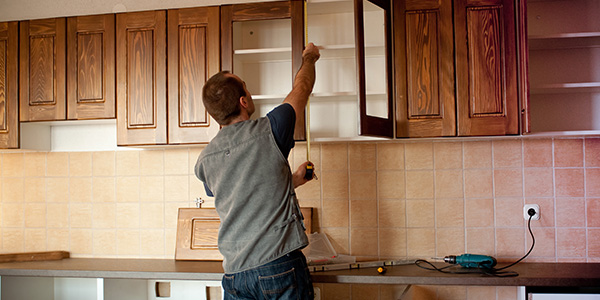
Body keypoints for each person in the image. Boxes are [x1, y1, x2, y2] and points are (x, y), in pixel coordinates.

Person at [194, 42, 320, 300]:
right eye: (246, 86)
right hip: (279, 267)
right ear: (244, 100)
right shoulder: (271, 130)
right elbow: (302, 88)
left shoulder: (206, 160)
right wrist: (309, 58)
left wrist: (292, 181)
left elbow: (241, 191)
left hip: (235, 277)